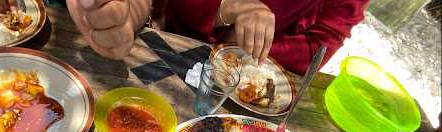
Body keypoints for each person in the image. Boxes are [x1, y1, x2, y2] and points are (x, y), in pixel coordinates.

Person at [66, 0, 368, 74]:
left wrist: (242, 46)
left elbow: (321, 46)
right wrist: (226, 9)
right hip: (162, 47)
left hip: (246, 87)